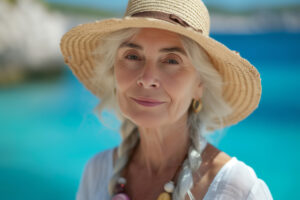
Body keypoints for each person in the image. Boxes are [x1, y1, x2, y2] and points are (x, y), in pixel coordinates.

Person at [60, 0, 273, 199]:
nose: (147, 79)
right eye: (132, 56)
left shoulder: (237, 189)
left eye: (171, 60)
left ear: (200, 85)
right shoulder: (97, 172)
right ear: (113, 69)